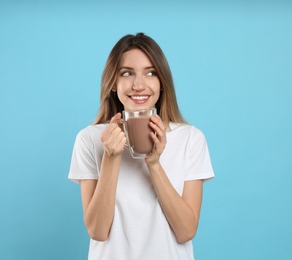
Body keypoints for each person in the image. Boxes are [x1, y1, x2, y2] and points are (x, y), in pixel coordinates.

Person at [68, 32, 214, 260]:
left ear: (162, 82)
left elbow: (186, 231)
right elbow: (97, 231)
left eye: (151, 73)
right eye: (127, 73)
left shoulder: (190, 139)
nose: (139, 85)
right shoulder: (89, 139)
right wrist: (111, 157)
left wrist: (154, 163)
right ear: (113, 83)